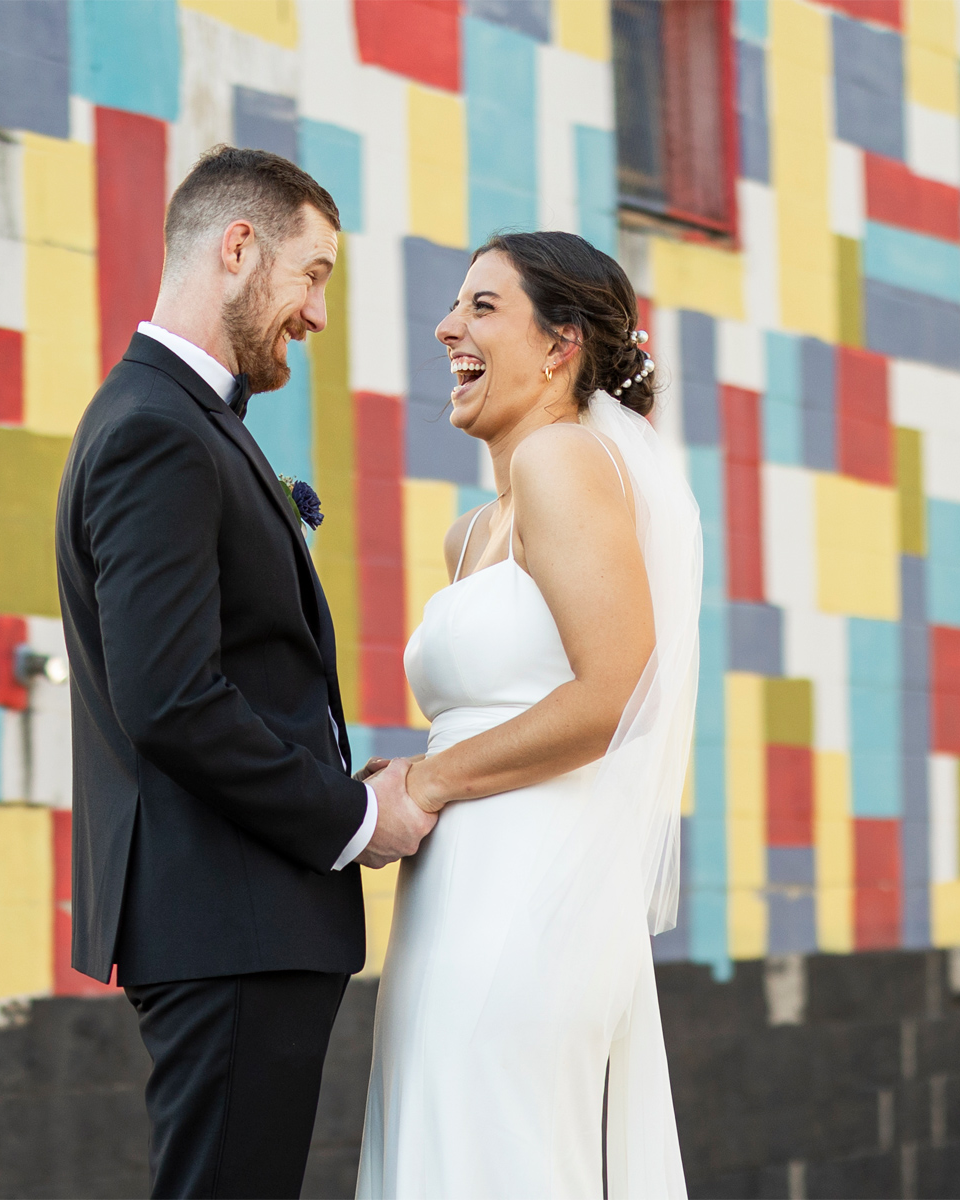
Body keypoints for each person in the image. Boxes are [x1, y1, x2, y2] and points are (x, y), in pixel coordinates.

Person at [55, 146, 437, 1200]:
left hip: (239, 920)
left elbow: (230, 680)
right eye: (312, 273)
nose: (318, 313)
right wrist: (353, 822)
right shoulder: (157, 433)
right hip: (229, 924)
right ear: (237, 248)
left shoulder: (181, 422)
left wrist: (341, 788)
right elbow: (172, 699)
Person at [356, 232, 702, 1199]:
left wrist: (420, 784)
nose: (447, 328)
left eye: (482, 307)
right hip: (452, 896)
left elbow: (614, 693)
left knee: (495, 1156)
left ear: (561, 348)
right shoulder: (470, 531)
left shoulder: (563, 459)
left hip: (532, 896)